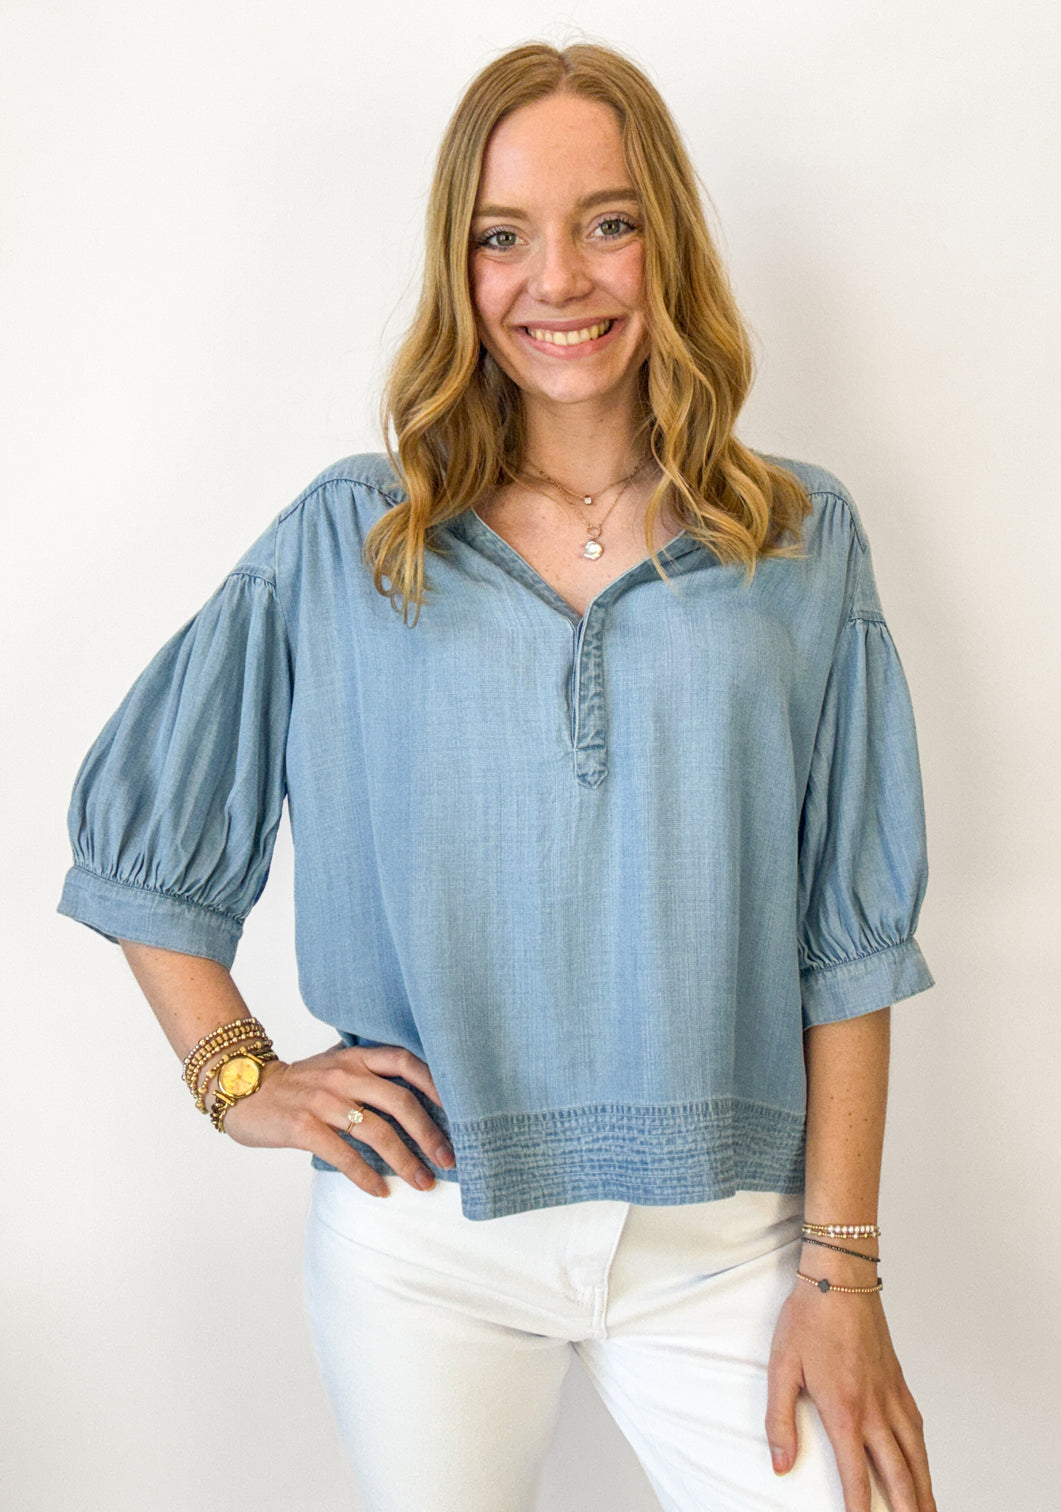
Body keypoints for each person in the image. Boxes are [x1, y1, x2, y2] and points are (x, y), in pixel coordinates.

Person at [57, 38, 939, 1512]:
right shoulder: (354, 541)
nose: (559, 280)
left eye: (609, 223)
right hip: (423, 1243)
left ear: (668, 241)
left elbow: (848, 938)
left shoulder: (799, 538)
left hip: (728, 1246)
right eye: (502, 236)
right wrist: (239, 1077)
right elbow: (144, 842)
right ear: (456, 267)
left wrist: (843, 1274)